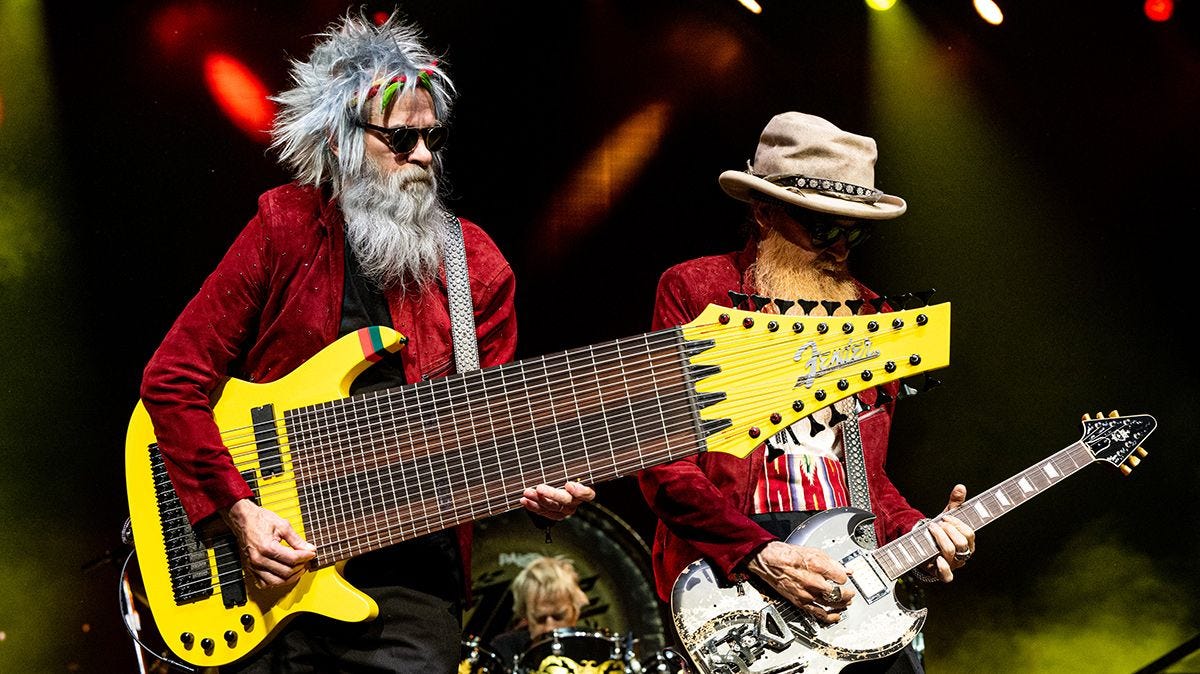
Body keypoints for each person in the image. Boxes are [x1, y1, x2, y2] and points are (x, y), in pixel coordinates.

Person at [139, 9, 593, 672]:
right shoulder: (283, 230)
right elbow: (171, 377)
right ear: (344, 141)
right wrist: (236, 510)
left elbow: (489, 434)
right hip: (269, 577)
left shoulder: (477, 269)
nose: (424, 156)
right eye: (401, 139)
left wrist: (532, 480)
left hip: (408, 586)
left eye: (431, 138)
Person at [636, 112, 976, 673]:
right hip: (738, 579)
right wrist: (755, 553)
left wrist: (917, 531)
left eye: (856, 230)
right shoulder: (694, 290)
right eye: (823, 227)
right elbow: (662, 463)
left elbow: (868, 475)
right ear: (764, 212)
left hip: (853, 573)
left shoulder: (876, 316)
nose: (840, 247)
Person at [488, 555, 591, 665]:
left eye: (559, 616)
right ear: (525, 615)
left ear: (575, 612)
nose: (549, 628)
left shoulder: (594, 649)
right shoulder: (505, 649)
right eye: (539, 619)